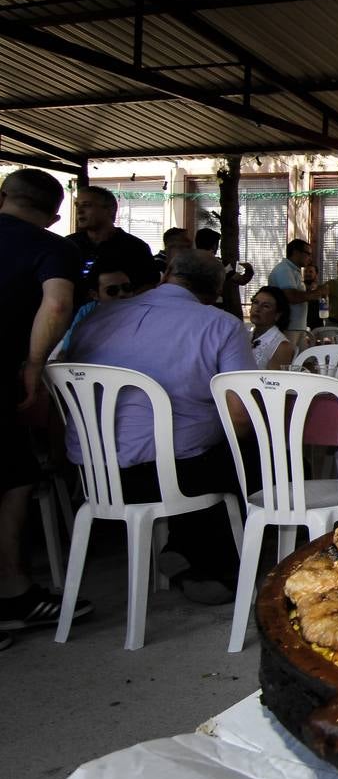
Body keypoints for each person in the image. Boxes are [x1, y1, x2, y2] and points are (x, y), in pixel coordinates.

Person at [66, 251, 254, 603]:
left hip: (92, 474)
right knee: (251, 451)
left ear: (167, 274)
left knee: (201, 448)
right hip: (173, 476)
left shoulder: (97, 318)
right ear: (215, 292)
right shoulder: (220, 324)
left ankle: (182, 546)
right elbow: (240, 415)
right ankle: (216, 565)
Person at [0, 170, 90, 645]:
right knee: (12, 480)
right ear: (56, 215)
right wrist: (35, 363)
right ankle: (13, 592)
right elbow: (57, 306)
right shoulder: (52, 247)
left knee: (15, 476)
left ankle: (16, 594)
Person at [66, 185, 156, 287]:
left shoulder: (135, 248)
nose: (79, 211)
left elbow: (148, 287)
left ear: (110, 209)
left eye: (87, 205)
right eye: (77, 205)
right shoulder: (68, 245)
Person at [268, 239, 326, 348]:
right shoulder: (284, 269)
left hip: (298, 327)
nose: (310, 257)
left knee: (302, 362)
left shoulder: (295, 270)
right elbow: (291, 296)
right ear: (296, 252)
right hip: (287, 327)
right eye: (308, 254)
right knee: (288, 363)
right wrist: (317, 293)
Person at [249, 286, 295, 370]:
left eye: (265, 306)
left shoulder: (282, 347)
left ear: (277, 315)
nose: (257, 309)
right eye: (255, 302)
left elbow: (274, 382)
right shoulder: (246, 335)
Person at [303, 264, 323, 329]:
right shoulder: (298, 288)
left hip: (317, 326)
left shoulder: (321, 289)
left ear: (316, 274)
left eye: (310, 272)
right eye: (305, 271)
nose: (307, 274)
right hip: (301, 325)